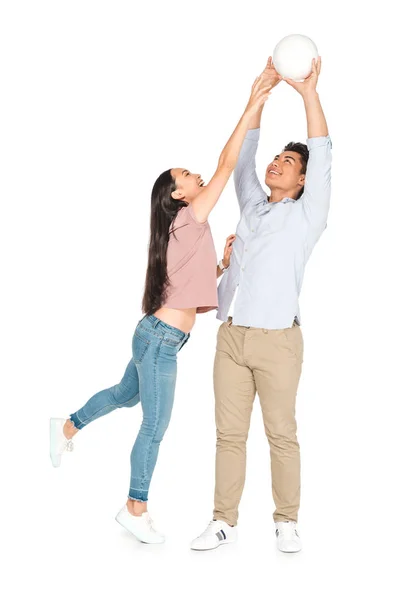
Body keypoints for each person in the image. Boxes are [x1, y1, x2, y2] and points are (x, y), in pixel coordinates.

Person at [49, 73, 272, 544]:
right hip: (161, 341)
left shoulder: (178, 230)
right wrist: (253, 102)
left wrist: (221, 267)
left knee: (126, 396)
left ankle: (67, 425)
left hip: (156, 334)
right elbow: (226, 163)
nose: (197, 178)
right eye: (187, 176)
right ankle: (135, 506)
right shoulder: (189, 216)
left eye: (193, 174)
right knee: (153, 424)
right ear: (179, 195)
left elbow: (186, 287)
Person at [191, 57, 332, 552]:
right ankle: (222, 520)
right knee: (228, 435)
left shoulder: (308, 215)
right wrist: (259, 96)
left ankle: (286, 521)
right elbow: (242, 156)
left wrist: (307, 93)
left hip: (277, 340)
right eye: (279, 158)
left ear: (303, 182)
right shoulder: (251, 203)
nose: (278, 164)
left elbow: (322, 150)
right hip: (231, 336)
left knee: (281, 434)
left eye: (289, 163)